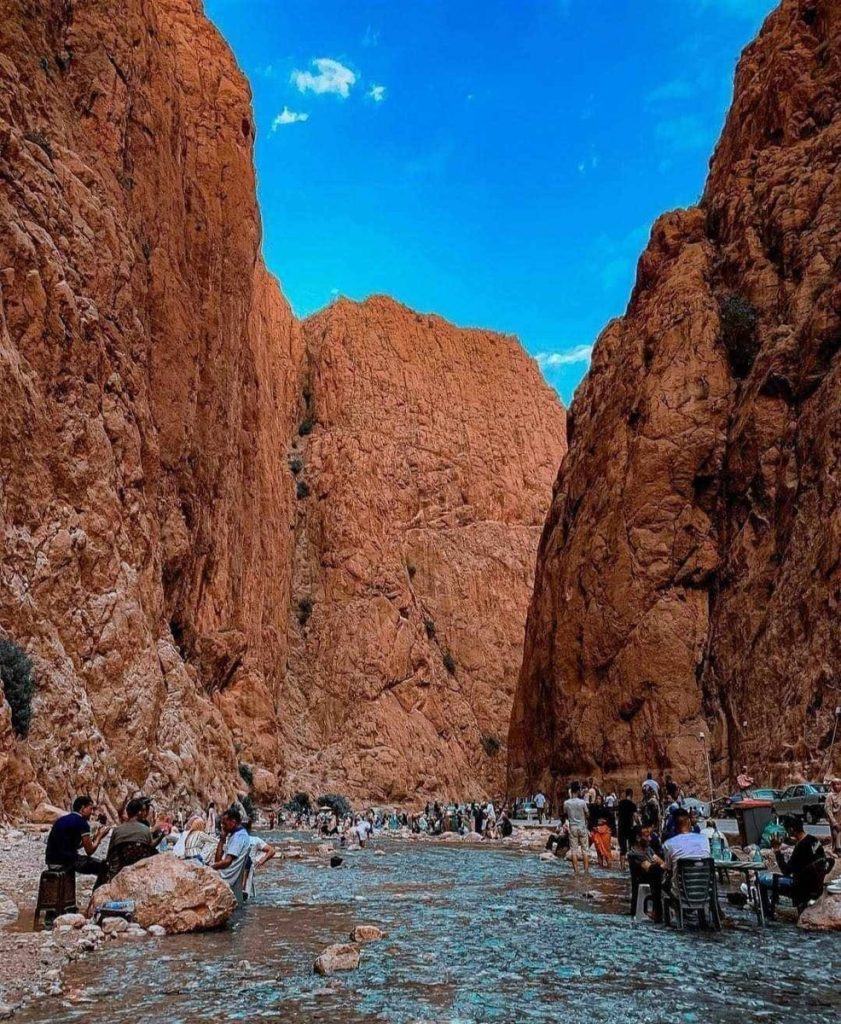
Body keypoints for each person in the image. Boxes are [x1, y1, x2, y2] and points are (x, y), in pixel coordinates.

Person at [759, 814, 831, 918]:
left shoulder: (800, 848)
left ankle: (766, 914)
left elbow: (786, 871)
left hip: (799, 886)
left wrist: (777, 851)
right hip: (815, 883)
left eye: (787, 831)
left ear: (792, 830)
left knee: (762, 880)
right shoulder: (814, 840)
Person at [45, 796, 111, 884]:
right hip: (66, 862)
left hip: (51, 861)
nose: (91, 812)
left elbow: (73, 845)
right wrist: (99, 836)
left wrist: (94, 838)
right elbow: (89, 851)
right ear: (82, 808)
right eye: (90, 809)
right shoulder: (82, 823)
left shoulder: (61, 819)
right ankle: (100, 894)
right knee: (103, 867)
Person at [105, 796, 162, 881]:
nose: (145, 812)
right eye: (143, 810)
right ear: (139, 812)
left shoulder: (117, 830)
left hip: (118, 871)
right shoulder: (145, 829)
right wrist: (161, 836)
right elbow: (151, 846)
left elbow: (110, 853)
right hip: (140, 872)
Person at [627, 824, 665, 922]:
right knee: (657, 872)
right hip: (644, 880)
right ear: (638, 838)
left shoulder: (648, 849)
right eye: (647, 836)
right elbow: (649, 867)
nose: (650, 838)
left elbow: (660, 861)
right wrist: (662, 866)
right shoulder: (634, 853)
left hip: (653, 877)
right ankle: (657, 911)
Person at [212, 807, 251, 896]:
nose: (223, 827)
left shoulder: (238, 837)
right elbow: (218, 861)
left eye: (224, 824)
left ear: (233, 822)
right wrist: (222, 840)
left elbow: (227, 862)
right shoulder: (238, 835)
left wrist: (210, 868)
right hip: (224, 873)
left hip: (226, 877)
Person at [243, 827, 277, 900]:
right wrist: (262, 861)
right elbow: (272, 851)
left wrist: (261, 860)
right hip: (246, 866)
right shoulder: (255, 840)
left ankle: (242, 888)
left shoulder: (234, 839)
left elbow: (272, 851)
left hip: (245, 866)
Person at [563, 783, 590, 873]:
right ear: (578, 791)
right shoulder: (582, 802)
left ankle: (576, 872)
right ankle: (586, 872)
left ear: (571, 791)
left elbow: (564, 814)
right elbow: (587, 814)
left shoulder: (566, 803)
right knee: (585, 850)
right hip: (582, 827)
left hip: (572, 828)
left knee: (573, 851)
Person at [616, 788, 637, 869]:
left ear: (626, 794)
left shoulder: (620, 803)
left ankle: (622, 867)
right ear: (631, 795)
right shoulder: (632, 805)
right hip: (629, 828)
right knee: (631, 848)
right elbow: (635, 817)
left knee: (623, 849)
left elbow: (617, 815)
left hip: (621, 827)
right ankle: (632, 867)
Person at [826, 777, 841, 855]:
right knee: (835, 833)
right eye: (835, 784)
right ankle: (836, 850)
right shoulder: (830, 796)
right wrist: (834, 822)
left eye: (838, 784)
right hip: (834, 818)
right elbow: (828, 809)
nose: (837, 786)